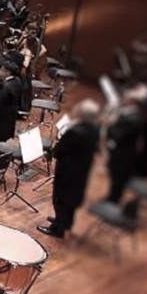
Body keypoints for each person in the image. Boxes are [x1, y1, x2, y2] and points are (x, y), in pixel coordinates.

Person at [38, 100, 101, 238]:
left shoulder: (75, 131)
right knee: (70, 198)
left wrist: (59, 143)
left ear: (82, 114)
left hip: (68, 170)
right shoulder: (94, 129)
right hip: (81, 170)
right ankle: (66, 223)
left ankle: (57, 229)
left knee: (60, 198)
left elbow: (59, 151)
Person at [105, 91, 143, 204]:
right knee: (115, 177)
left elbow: (117, 135)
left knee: (118, 179)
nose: (124, 100)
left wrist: (110, 125)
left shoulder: (133, 119)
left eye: (126, 98)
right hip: (121, 151)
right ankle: (111, 198)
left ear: (132, 102)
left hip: (124, 154)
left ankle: (113, 201)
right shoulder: (130, 114)